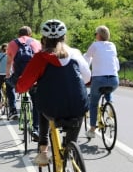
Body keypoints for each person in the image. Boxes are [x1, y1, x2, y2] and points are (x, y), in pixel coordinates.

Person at [16, 19, 91, 165]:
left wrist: (18, 86)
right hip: (78, 106)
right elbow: (87, 78)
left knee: (41, 104)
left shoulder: (40, 58)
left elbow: (23, 86)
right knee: (77, 115)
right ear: (65, 37)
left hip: (52, 108)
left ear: (43, 39)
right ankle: (71, 147)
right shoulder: (75, 53)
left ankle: (43, 151)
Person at [6, 26, 42, 140]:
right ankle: (36, 128)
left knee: (8, 84)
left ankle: (12, 109)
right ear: (30, 34)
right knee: (36, 102)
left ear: (18, 34)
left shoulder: (12, 43)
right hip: (34, 78)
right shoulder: (36, 42)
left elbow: (9, 62)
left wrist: (7, 75)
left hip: (19, 78)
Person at [84, 25, 120, 139]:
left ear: (98, 35)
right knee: (108, 90)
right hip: (114, 79)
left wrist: (84, 74)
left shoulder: (95, 45)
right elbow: (116, 65)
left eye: (96, 34)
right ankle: (110, 109)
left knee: (93, 103)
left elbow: (86, 59)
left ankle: (92, 129)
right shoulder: (112, 45)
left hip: (99, 79)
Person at [0, 43, 18, 120]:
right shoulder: (12, 54)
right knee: (11, 90)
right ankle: (13, 109)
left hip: (1, 75)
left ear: (1, 49)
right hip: (10, 74)